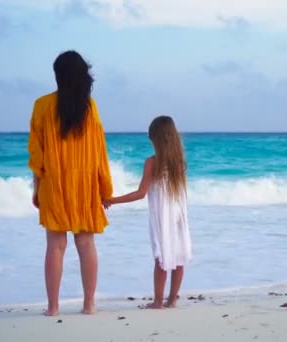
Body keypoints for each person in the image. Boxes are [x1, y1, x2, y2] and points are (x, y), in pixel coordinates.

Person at [28, 50, 113, 316]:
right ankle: (89, 305)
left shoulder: (41, 105)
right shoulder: (91, 107)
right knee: (86, 244)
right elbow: (100, 152)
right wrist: (104, 188)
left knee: (55, 246)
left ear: (58, 76)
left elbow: (37, 152)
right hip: (85, 184)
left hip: (54, 182)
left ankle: (52, 308)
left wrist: (37, 187)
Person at [104, 116, 192, 309]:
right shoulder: (180, 162)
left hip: (163, 216)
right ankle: (172, 300)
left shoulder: (152, 162)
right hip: (178, 215)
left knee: (162, 256)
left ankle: (158, 302)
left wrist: (112, 200)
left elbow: (140, 193)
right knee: (178, 257)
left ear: (156, 139)